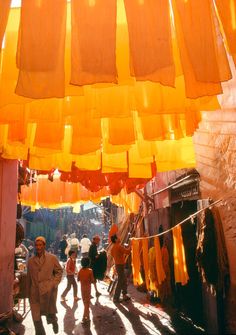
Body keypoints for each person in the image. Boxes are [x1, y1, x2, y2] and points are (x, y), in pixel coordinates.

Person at [27, 236, 63, 335]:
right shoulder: (30, 261)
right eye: (36, 245)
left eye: (40, 245)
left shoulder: (52, 258)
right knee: (36, 318)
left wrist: (54, 283)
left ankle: (54, 321)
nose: (38, 247)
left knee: (50, 313)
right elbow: (28, 278)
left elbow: (59, 271)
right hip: (34, 293)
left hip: (48, 291)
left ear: (44, 246)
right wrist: (28, 293)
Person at [110, 234, 131, 303]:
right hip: (120, 265)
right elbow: (128, 252)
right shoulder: (118, 246)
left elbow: (113, 254)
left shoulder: (113, 248)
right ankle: (116, 298)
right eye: (118, 237)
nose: (119, 238)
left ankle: (124, 295)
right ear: (116, 240)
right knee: (120, 281)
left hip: (117, 265)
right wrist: (131, 245)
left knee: (124, 280)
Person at [77, 257, 95, 324]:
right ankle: (85, 318)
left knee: (85, 302)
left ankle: (87, 315)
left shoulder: (80, 271)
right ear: (88, 263)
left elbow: (78, 279)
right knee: (87, 303)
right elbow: (92, 280)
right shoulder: (90, 271)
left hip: (82, 289)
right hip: (88, 289)